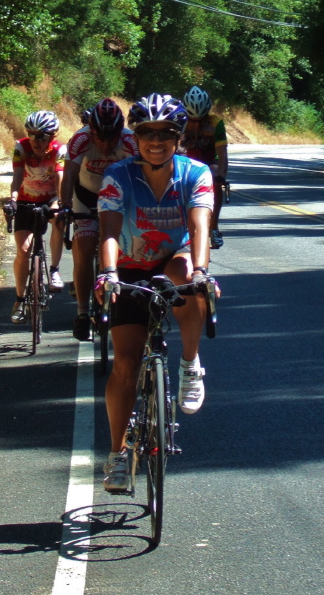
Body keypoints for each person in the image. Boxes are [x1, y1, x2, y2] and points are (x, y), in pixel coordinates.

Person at [94, 93, 216, 493]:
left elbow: (200, 228)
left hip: (174, 260)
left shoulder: (196, 173)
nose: (157, 140)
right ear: (137, 136)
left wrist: (201, 272)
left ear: (179, 137)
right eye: (147, 132)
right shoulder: (119, 174)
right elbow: (109, 231)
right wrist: (108, 274)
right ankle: (117, 454)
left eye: (166, 132)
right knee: (126, 363)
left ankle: (189, 364)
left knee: (188, 276)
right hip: (129, 264)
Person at [61, 98, 138, 340]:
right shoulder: (80, 139)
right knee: (83, 249)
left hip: (119, 199)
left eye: (111, 139)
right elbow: (69, 175)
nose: (105, 146)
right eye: (100, 139)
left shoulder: (129, 141)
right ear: (91, 132)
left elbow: (141, 174)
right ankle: (83, 313)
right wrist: (65, 207)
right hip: (86, 195)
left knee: (125, 247)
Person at [6, 110, 67, 324]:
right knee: (23, 251)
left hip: (49, 197)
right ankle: (20, 300)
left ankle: (55, 270)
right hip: (25, 199)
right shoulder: (21, 147)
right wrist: (12, 199)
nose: (35, 140)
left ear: (52, 136)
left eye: (41, 136)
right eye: (31, 134)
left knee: (59, 219)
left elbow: (60, 175)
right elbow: (17, 175)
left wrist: (60, 202)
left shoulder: (60, 150)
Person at [181, 86, 228, 249]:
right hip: (185, 160)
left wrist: (221, 177)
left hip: (208, 162)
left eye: (199, 121)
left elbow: (222, 154)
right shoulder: (179, 120)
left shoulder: (216, 123)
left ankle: (213, 227)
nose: (195, 125)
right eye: (192, 121)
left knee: (215, 178)